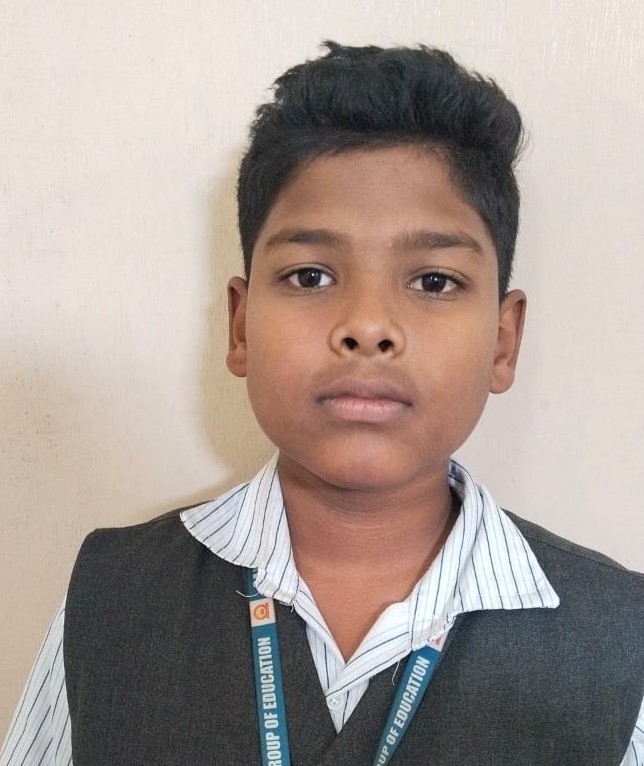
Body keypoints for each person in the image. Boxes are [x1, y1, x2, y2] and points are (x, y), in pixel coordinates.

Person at [1, 41, 643, 766]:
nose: (367, 326)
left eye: (434, 281)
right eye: (310, 276)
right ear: (241, 327)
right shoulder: (112, 598)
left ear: (503, 341)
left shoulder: (622, 642)